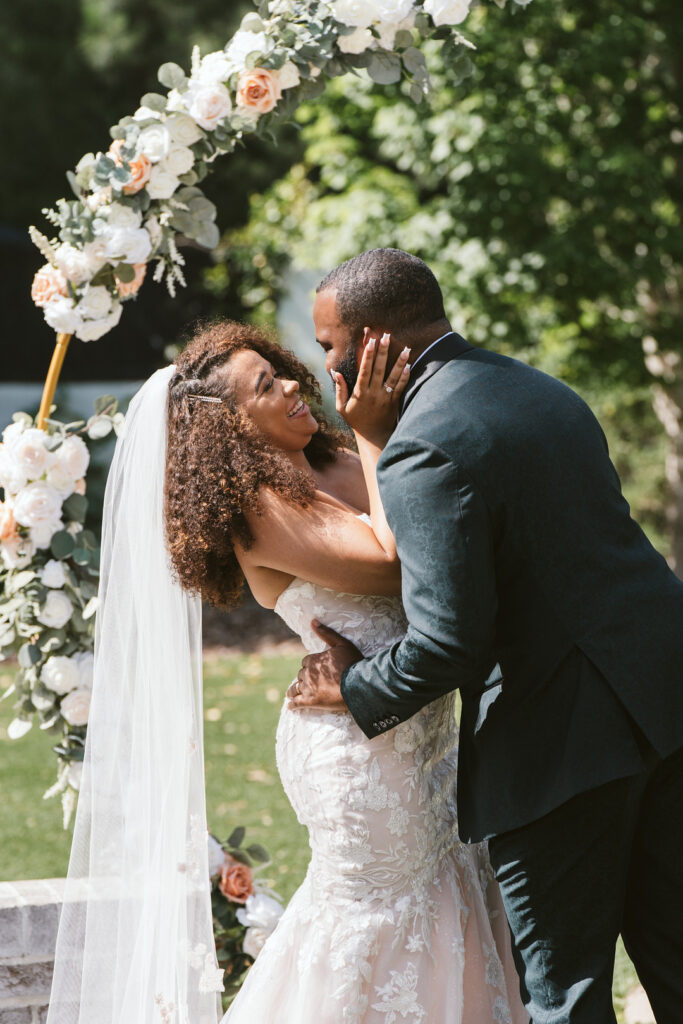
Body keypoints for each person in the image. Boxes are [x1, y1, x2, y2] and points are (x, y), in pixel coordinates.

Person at [46, 318, 527, 1024]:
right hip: (356, 753)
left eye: (280, 369)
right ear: (231, 428)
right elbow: (390, 559)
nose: (295, 385)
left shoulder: (332, 455)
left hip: (425, 732)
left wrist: (361, 439)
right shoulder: (257, 508)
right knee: (379, 922)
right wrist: (375, 431)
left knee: (452, 892)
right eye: (266, 387)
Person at [292, 247, 683, 1024]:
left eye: (330, 345)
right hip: (663, 703)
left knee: (563, 994)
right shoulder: (539, 389)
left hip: (558, 743)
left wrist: (353, 685)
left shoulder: (422, 446)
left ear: (373, 344)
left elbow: (447, 643)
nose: (326, 365)